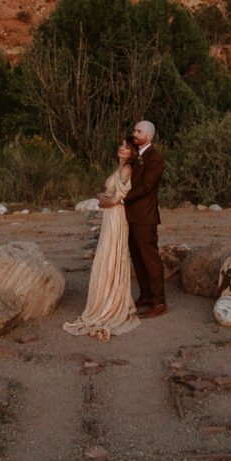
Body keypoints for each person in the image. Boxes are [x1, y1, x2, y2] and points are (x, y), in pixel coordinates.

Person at [63, 138, 140, 341]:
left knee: (111, 254)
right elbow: (111, 194)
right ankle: (104, 299)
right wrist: (103, 196)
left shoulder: (127, 169)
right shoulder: (120, 167)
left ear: (132, 152)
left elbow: (118, 199)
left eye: (126, 147)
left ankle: (111, 304)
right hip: (110, 217)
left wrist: (105, 202)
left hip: (116, 217)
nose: (121, 148)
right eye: (121, 145)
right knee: (106, 255)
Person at [106, 120, 167, 319]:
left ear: (149, 136)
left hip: (145, 217)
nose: (135, 133)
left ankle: (159, 301)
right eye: (134, 130)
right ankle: (146, 295)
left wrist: (121, 198)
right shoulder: (135, 157)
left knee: (150, 259)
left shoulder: (155, 160)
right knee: (138, 259)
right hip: (130, 216)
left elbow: (147, 188)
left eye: (139, 131)